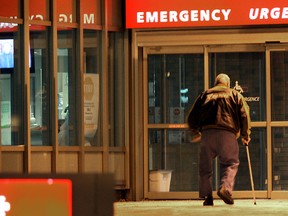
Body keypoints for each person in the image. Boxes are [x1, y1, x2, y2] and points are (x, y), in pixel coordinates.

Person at [187, 73, 251, 206]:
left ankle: (208, 197)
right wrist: (245, 135)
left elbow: (192, 115)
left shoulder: (204, 95)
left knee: (205, 167)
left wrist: (195, 131)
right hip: (227, 134)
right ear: (227, 84)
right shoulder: (235, 95)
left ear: (216, 83)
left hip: (207, 134)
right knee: (230, 163)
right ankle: (225, 189)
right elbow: (244, 115)